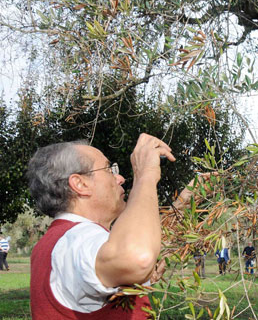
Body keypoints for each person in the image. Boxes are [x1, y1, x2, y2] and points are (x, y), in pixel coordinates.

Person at [27, 134, 175, 319]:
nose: (120, 178)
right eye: (108, 169)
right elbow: (138, 258)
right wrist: (145, 175)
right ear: (80, 184)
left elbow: (144, 241)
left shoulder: (60, 241)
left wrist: (189, 198)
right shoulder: (78, 238)